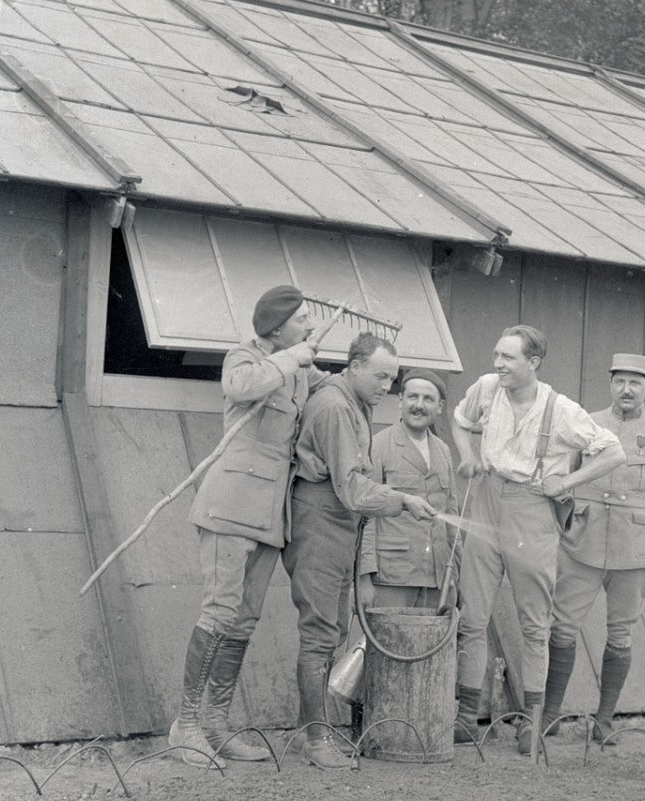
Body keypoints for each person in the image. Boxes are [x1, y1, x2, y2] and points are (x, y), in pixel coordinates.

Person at [170, 285, 324, 769]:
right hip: (230, 503)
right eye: (302, 320)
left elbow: (329, 393)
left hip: (268, 514)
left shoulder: (300, 372)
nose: (311, 327)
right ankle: (187, 725)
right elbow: (240, 388)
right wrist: (292, 358)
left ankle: (215, 724)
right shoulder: (246, 356)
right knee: (219, 610)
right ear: (277, 327)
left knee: (243, 620)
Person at [452, 326, 626, 749]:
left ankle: (531, 721)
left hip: (532, 511)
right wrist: (468, 457)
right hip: (487, 499)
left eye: (508, 357)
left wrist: (567, 482)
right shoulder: (486, 388)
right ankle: (463, 718)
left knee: (534, 625)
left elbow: (613, 451)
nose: (498, 364)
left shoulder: (560, 409)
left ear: (533, 363)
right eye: (496, 354)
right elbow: (459, 422)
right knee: (472, 618)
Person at [283, 335, 438, 769]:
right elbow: (351, 488)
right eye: (380, 375)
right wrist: (401, 500)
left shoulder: (353, 402)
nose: (387, 385)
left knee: (329, 629)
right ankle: (315, 740)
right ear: (353, 366)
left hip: (336, 524)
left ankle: (309, 731)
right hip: (320, 522)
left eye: (392, 377)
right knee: (319, 632)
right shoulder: (335, 407)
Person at [541, 353, 645, 750]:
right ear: (610, 384)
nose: (626, 390)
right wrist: (562, 530)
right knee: (562, 627)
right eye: (619, 381)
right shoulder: (587, 423)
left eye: (635, 383)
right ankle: (549, 715)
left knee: (621, 633)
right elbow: (561, 480)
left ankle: (604, 719)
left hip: (635, 552)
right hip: (582, 543)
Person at [359, 370, 458, 612]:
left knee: (431, 647)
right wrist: (363, 578)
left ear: (440, 407)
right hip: (392, 577)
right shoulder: (379, 445)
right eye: (413, 397)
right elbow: (364, 516)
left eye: (428, 399)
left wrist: (457, 571)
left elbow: (451, 513)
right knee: (388, 647)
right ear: (400, 400)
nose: (419, 406)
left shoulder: (443, 449)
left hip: (437, 578)